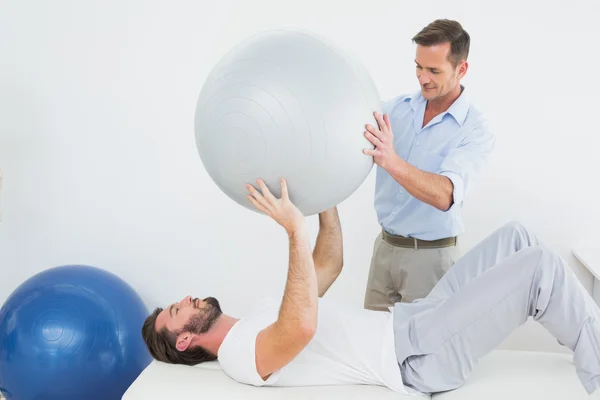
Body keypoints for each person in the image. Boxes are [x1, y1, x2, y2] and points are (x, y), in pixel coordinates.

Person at [142, 178, 600, 396]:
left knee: (517, 237)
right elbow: (300, 327)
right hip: (418, 356)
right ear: (185, 339)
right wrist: (292, 230)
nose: (184, 300)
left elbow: (330, 262)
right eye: (175, 312)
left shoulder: (261, 314)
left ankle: (583, 333)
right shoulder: (238, 356)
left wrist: (325, 197)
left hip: (416, 319)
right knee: (538, 266)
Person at [362, 19, 496, 310]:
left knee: (422, 353)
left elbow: (445, 194)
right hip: (384, 249)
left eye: (434, 70)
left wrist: (392, 161)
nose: (423, 78)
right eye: (418, 67)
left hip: (432, 260)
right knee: (372, 345)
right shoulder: (395, 109)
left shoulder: (475, 129)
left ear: (461, 69)